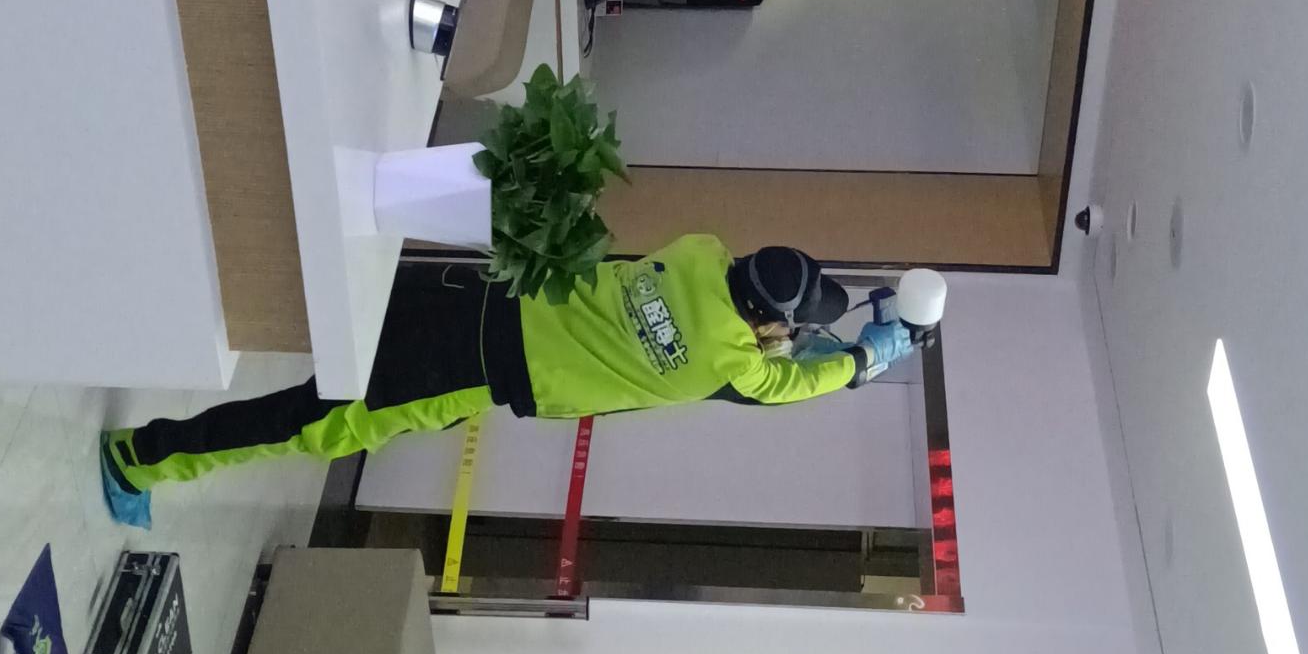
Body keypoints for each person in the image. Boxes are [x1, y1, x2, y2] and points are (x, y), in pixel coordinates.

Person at [99, 238, 916, 527]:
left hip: (472, 289)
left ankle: (131, 301)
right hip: (470, 367)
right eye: (789, 324)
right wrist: (862, 361)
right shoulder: (723, 363)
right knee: (314, 424)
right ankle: (140, 458)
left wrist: (812, 339)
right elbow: (774, 387)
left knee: (296, 308)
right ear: (769, 323)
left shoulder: (699, 249)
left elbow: (751, 351)